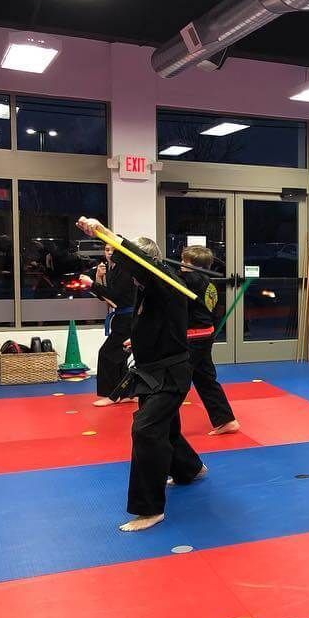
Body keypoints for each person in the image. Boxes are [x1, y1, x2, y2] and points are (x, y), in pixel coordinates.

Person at [75, 217, 206, 532]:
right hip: (151, 372)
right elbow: (158, 323)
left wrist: (103, 231)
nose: (130, 276)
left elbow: (140, 263)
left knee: (146, 430)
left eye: (133, 269)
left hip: (170, 375)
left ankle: (150, 509)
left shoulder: (164, 282)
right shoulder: (148, 288)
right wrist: (138, 340)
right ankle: (190, 469)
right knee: (165, 427)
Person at [180, 245, 239, 436]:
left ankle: (161, 422)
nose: (181, 265)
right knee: (205, 379)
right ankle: (226, 420)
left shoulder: (193, 279)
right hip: (205, 334)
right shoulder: (209, 282)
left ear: (196, 267)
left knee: (177, 379)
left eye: (185, 262)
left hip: (195, 336)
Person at [88, 242, 136, 406]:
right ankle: (126, 393)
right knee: (119, 357)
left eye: (113, 250)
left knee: (107, 354)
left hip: (128, 318)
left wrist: (92, 284)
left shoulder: (125, 270)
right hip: (121, 317)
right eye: (107, 250)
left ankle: (111, 395)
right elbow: (106, 298)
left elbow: (114, 296)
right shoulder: (112, 270)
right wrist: (98, 278)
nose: (109, 253)